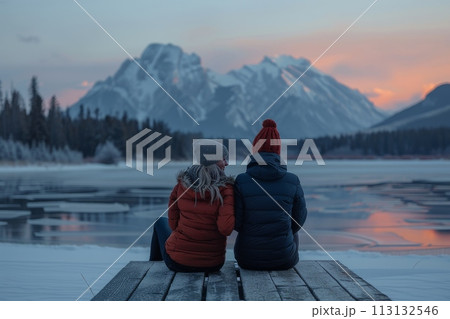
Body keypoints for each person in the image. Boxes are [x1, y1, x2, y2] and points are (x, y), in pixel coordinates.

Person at [149, 140, 235, 272]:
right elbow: (225, 229)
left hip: (178, 262)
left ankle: (152, 270)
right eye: (224, 159)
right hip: (213, 264)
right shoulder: (226, 190)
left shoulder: (181, 186)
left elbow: (173, 225)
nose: (227, 163)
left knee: (160, 222)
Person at [233, 119, 307, 270]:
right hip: (284, 260)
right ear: (278, 151)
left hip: (247, 260)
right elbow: (299, 220)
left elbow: (237, 222)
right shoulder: (292, 180)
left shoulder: (241, 181)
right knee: (290, 229)